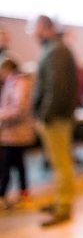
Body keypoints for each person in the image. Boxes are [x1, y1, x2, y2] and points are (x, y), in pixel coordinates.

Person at [31, 15, 78, 227]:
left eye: (36, 28)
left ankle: (64, 207)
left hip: (56, 117)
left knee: (61, 164)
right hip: (54, 116)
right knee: (57, 163)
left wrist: (45, 115)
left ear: (46, 28)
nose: (33, 33)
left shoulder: (56, 50)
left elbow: (55, 88)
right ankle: (60, 200)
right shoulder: (54, 48)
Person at [0, 59, 35, 210]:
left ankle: (2, 195)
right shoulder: (12, 82)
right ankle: (24, 193)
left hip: (15, 131)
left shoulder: (20, 82)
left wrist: (1, 114)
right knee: (18, 163)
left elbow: (19, 107)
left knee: (6, 164)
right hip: (12, 131)